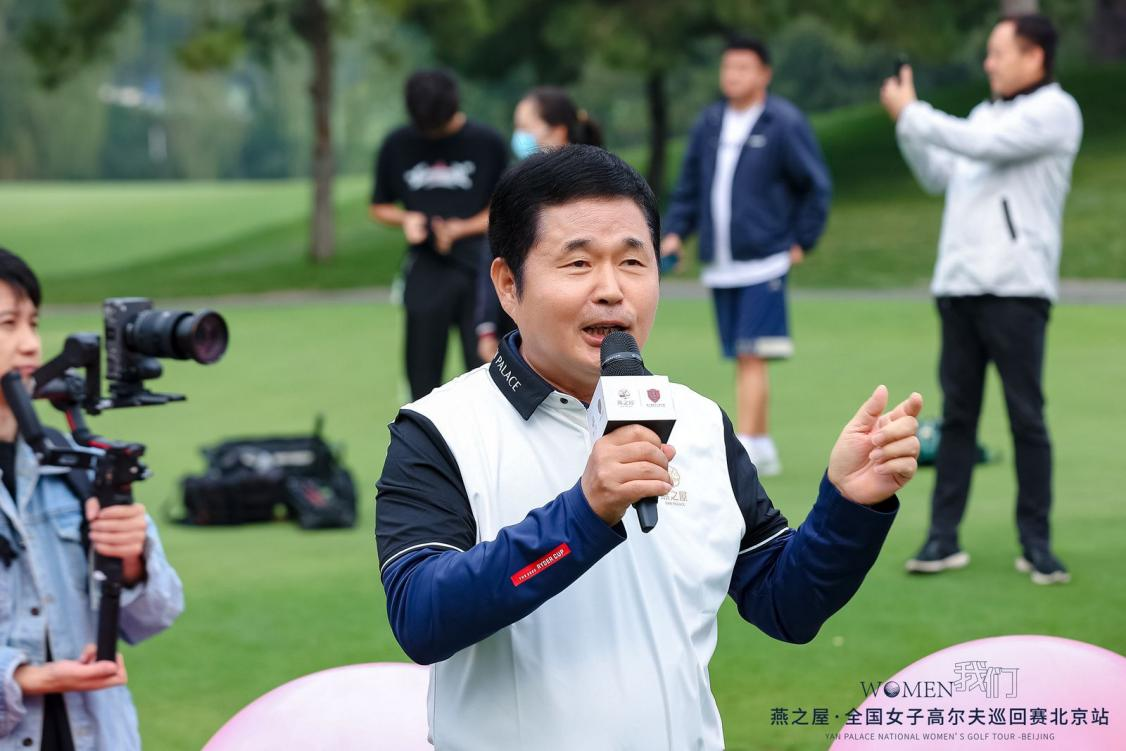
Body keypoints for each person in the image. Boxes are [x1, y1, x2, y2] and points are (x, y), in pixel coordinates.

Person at [375, 145, 922, 749]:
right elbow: (421, 618)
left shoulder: (698, 422)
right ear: (508, 284)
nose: (612, 290)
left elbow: (786, 604)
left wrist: (849, 504)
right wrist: (583, 514)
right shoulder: (440, 429)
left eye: (633, 262)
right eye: (578, 263)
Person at [881, 14, 1081, 584]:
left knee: (1026, 418)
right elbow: (937, 174)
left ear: (1034, 56)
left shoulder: (1055, 111)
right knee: (958, 419)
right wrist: (907, 126)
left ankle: (1037, 544)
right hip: (959, 288)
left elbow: (982, 146)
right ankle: (943, 538)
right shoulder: (981, 115)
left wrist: (914, 113)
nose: (988, 63)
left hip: (1017, 289)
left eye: (998, 52)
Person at [0, 248, 184, 750]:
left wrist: (132, 564)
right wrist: (23, 677)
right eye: (8, 324)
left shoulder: (75, 463)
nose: (30, 344)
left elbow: (155, 616)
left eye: (33, 323)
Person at [662, 34, 832, 476]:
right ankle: (763, 442)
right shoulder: (710, 122)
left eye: (742, 68)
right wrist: (676, 232)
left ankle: (751, 445)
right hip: (721, 262)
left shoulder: (784, 122)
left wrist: (803, 239)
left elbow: (815, 185)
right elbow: (689, 186)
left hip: (765, 259)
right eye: (727, 67)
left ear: (764, 74)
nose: (732, 76)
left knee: (754, 353)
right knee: (741, 354)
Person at [370, 69, 509, 400]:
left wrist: (460, 228)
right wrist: (407, 219)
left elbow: (504, 207)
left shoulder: (487, 142)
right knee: (422, 372)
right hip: (426, 264)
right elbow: (379, 206)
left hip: (479, 265)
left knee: (487, 369)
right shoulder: (397, 143)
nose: (431, 133)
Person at [475, 86, 604, 364]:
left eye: (525, 127)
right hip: (518, 324)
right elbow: (492, 257)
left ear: (557, 131)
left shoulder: (601, 189)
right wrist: (486, 327)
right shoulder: (515, 187)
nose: (518, 136)